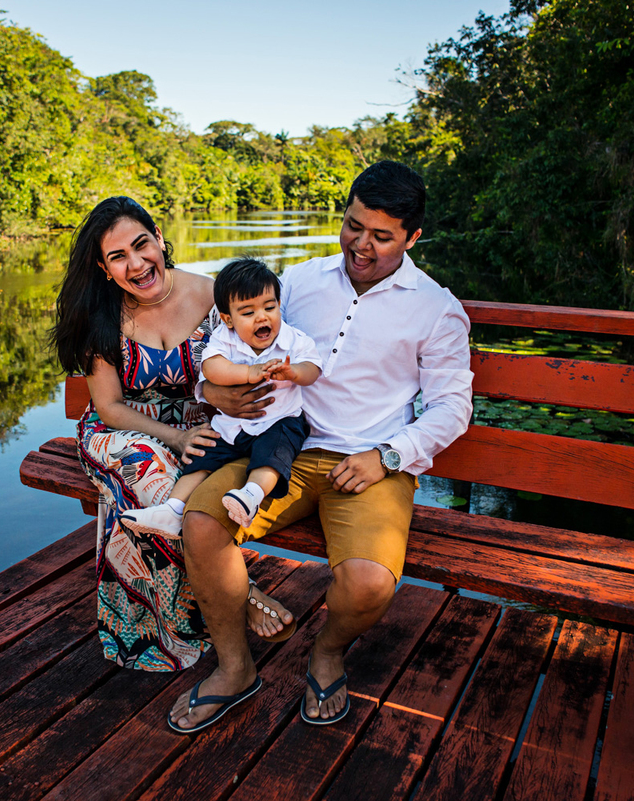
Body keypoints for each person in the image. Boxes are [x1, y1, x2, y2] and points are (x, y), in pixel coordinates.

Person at [167, 162, 474, 733]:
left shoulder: (436, 309)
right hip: (281, 446)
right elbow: (229, 341)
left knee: (369, 582)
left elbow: (453, 407)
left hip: (369, 463)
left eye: (381, 237)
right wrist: (213, 390)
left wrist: (387, 456)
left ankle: (327, 651)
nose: (361, 245)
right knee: (200, 523)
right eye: (354, 225)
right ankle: (235, 668)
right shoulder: (299, 282)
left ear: (413, 238)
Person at [50, 197, 294, 672]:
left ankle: (212, 600)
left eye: (142, 245)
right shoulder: (102, 317)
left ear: (160, 238)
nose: (137, 264)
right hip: (123, 431)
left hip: (205, 426)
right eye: (118, 257)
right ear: (104, 268)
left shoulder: (215, 297)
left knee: (192, 475)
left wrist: (217, 406)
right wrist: (174, 437)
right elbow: (109, 406)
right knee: (151, 472)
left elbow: (260, 359)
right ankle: (239, 592)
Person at [120, 257, 322, 539]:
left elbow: (313, 370)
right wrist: (249, 372)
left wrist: (293, 372)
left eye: (269, 307)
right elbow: (212, 368)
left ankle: (251, 496)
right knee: (200, 459)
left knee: (273, 454)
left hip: (281, 420)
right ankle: (172, 509)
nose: (262, 317)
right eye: (248, 312)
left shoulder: (294, 340)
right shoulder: (224, 339)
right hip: (231, 427)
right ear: (228, 319)